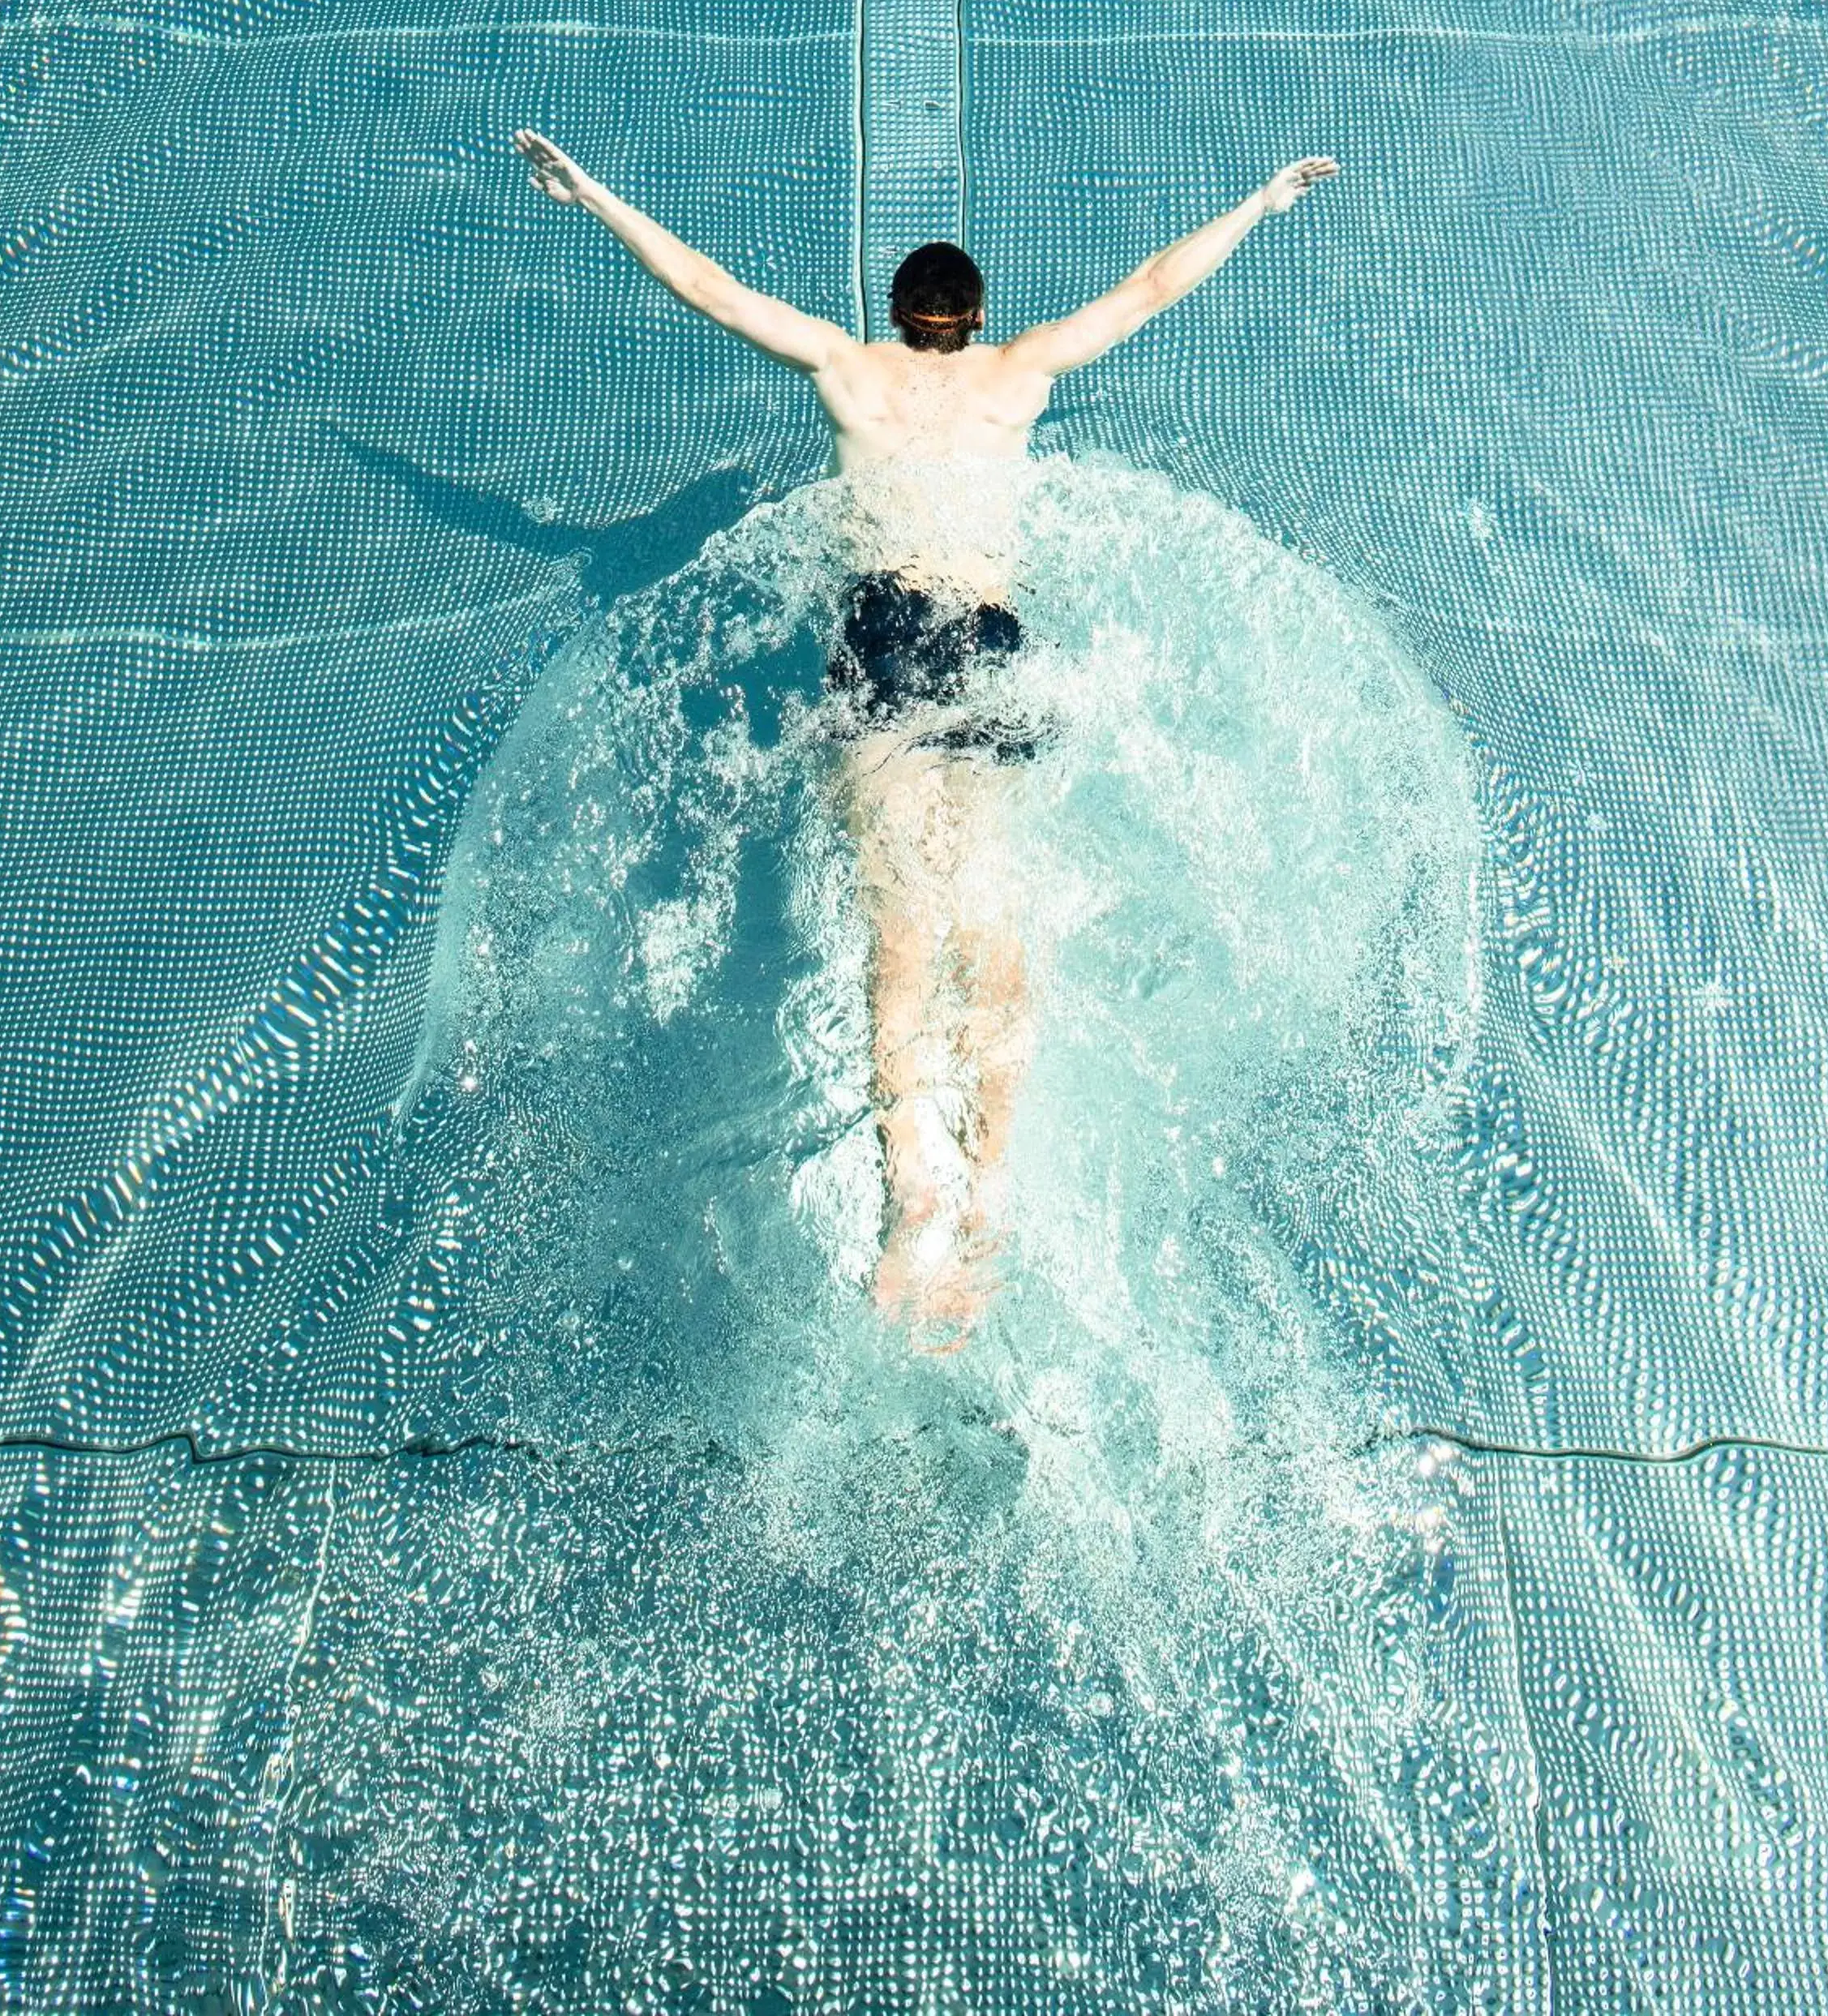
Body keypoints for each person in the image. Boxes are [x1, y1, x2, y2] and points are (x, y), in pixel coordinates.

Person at [514, 128, 1337, 1346]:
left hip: (885, 636)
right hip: (988, 644)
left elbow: (708, 285)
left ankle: (917, 1204)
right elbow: (1154, 285)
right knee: (991, 916)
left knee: (903, 928)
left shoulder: (848, 374)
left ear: (897, 318)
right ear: (977, 314)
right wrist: (1261, 197)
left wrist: (588, 195)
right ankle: (991, 1177)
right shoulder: (1020, 378)